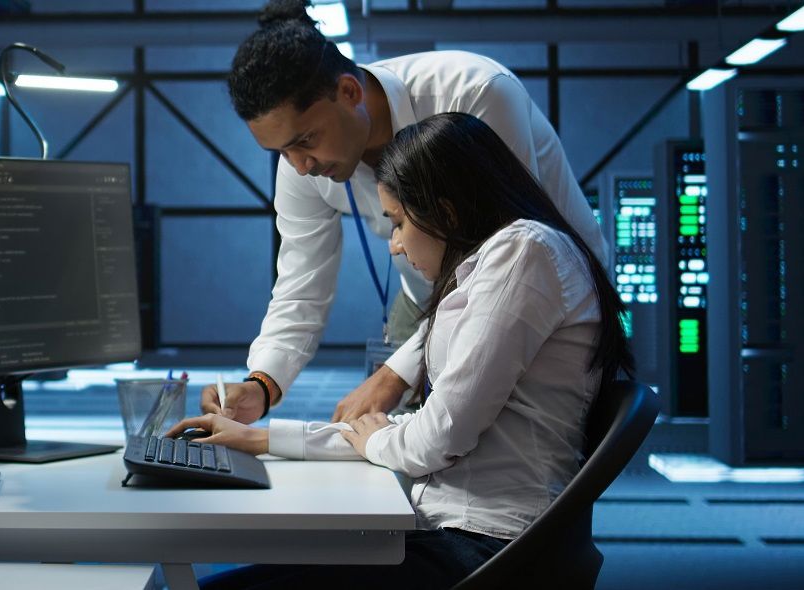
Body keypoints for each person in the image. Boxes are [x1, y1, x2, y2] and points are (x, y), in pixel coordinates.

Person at [173, 112, 633, 589]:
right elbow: (410, 433)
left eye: (397, 222)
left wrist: (378, 438)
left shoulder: (524, 253)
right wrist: (260, 439)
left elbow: (436, 438)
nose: (394, 246)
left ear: (446, 212)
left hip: (487, 551)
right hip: (453, 535)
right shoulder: (497, 265)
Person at [203, 0, 608, 425]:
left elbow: (505, 265)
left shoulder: (473, 92)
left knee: (518, 458)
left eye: (305, 140)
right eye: (280, 151)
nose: (299, 164)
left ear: (349, 92)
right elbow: (299, 285)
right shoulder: (302, 166)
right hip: (430, 300)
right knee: (398, 451)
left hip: (542, 293)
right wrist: (262, 384)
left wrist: (397, 371)